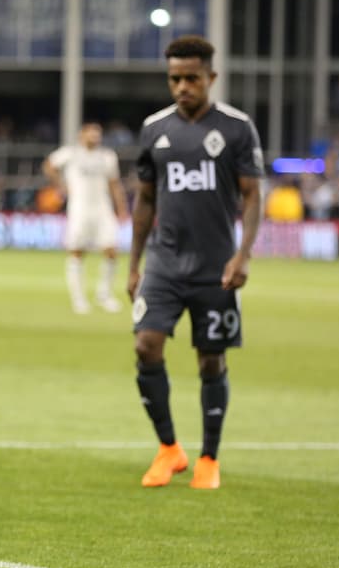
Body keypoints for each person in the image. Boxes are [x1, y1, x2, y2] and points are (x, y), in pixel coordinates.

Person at [127, 35, 263, 491]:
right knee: (146, 346)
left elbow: (252, 196)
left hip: (215, 267)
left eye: (191, 78)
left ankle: (209, 457)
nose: (182, 86)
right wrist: (134, 265)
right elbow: (145, 200)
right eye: (174, 78)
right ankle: (169, 449)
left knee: (210, 361)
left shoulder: (237, 128)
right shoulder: (154, 129)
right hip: (164, 264)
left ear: (212, 78)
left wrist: (243, 255)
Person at [43, 122, 129, 313]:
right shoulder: (70, 153)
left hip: (102, 208)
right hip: (79, 208)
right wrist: (61, 186)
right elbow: (49, 165)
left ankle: (104, 294)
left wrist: (121, 208)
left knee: (111, 250)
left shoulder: (107, 156)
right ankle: (78, 298)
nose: (94, 137)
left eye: (97, 134)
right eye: (91, 133)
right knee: (76, 251)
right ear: (82, 135)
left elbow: (114, 184)